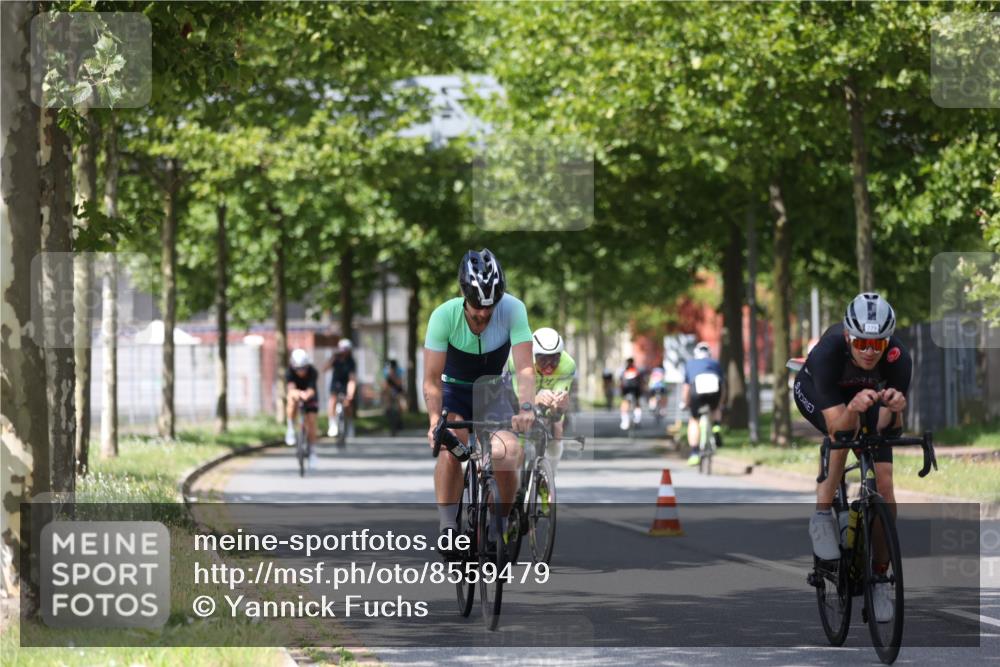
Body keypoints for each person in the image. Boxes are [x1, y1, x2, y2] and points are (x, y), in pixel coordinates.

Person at [793, 292, 910, 623]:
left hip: (866, 399)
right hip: (819, 395)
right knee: (841, 438)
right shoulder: (828, 353)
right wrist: (854, 408)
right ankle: (821, 514)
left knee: (885, 486)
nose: (870, 351)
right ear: (848, 335)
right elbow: (838, 427)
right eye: (862, 343)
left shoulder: (900, 359)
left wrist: (896, 410)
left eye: (878, 344)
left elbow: (890, 430)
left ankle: (879, 579)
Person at [423, 249, 536, 548]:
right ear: (464, 295)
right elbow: (431, 379)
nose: (484, 314)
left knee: (508, 452)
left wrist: (526, 407)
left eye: (490, 306)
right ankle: (448, 528)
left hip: (492, 391)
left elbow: (524, 366)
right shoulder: (443, 316)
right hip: (454, 392)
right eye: (476, 307)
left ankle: (499, 523)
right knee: (451, 449)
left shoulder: (513, 309)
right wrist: (435, 419)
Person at [506, 326, 576, 467]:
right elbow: (518, 396)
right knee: (520, 434)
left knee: (557, 429)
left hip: (547, 397)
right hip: (520, 398)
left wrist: (558, 403)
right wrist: (536, 398)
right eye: (543, 361)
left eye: (555, 361)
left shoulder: (568, 365)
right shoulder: (518, 360)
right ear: (533, 355)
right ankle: (517, 482)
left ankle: (548, 477)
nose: (549, 367)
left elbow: (556, 407)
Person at [682, 342, 725, 466]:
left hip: (697, 390)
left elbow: (686, 387)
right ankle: (716, 426)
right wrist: (720, 404)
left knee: (694, 420)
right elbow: (723, 386)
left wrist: (685, 403)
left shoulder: (690, 364)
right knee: (716, 408)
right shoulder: (715, 363)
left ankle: (694, 452)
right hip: (715, 390)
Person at [285, 348, 319, 470]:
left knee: (312, 422)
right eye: (298, 369)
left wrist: (306, 395)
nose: (301, 371)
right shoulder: (289, 371)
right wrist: (298, 394)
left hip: (309, 395)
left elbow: (311, 389)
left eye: (303, 368)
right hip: (296, 394)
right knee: (291, 400)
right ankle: (290, 427)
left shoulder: (313, 372)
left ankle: (313, 451)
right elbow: (291, 388)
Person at [322, 338, 356, 438]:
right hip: (336, 382)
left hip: (346, 383)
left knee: (348, 404)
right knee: (332, 400)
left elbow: (352, 379)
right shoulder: (335, 358)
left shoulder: (351, 362)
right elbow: (324, 369)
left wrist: (350, 394)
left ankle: (349, 424)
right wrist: (332, 359)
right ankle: (332, 423)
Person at [619, 357, 643, 430]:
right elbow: (641, 381)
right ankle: (637, 418)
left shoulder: (624, 371)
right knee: (637, 403)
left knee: (625, 404)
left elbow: (621, 381)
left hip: (627, 389)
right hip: (635, 389)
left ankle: (625, 421)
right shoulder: (637, 370)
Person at [382, 359, 405, 431]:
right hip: (389, 389)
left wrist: (393, 376)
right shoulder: (386, 371)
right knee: (387, 398)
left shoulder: (399, 371)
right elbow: (385, 384)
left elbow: (399, 383)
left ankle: (399, 418)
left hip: (398, 389)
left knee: (401, 404)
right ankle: (387, 410)